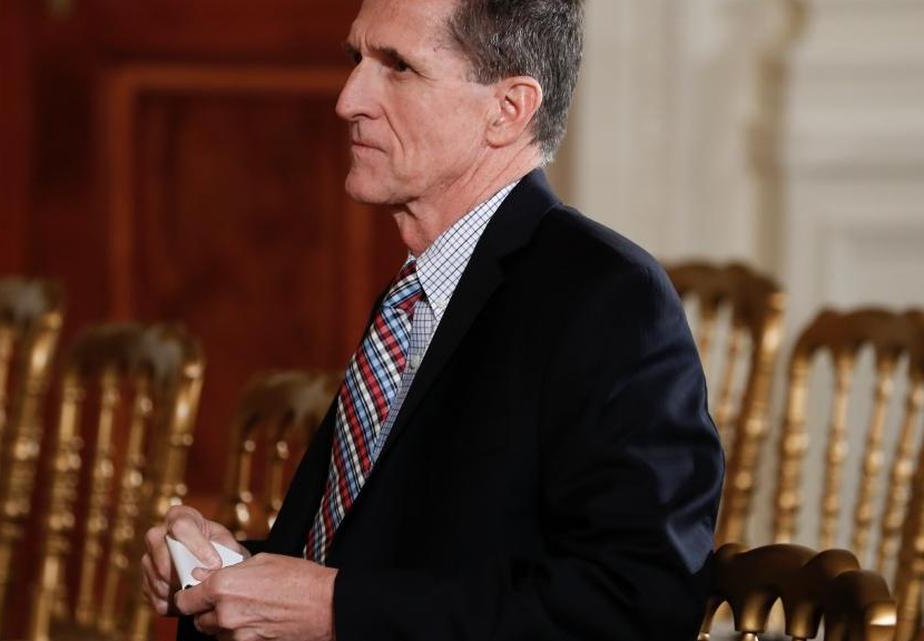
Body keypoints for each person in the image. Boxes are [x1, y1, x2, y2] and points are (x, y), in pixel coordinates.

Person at [142, 0, 724, 638]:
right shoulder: (418, 291)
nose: (348, 99)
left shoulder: (609, 299)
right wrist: (228, 575)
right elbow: (385, 565)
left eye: (398, 67)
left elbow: (636, 603)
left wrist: (337, 610)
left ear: (507, 110)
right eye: (356, 59)